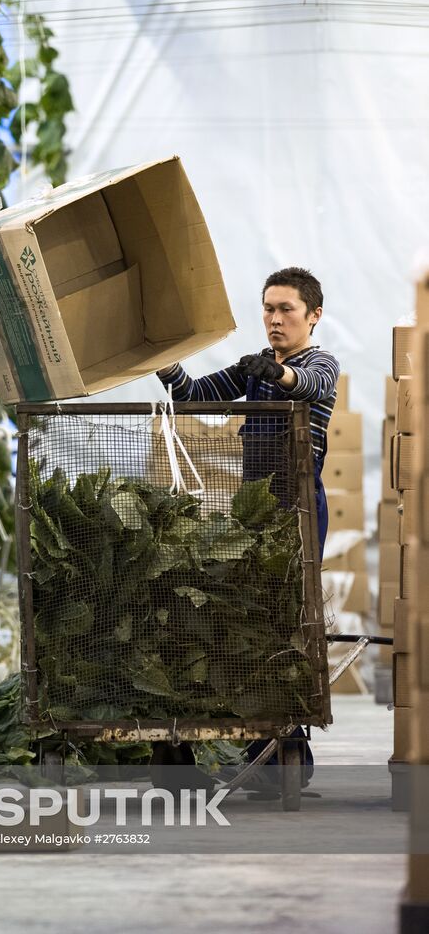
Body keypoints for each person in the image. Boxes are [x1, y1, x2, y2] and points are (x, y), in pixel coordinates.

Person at [156, 266, 340, 785]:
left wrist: (275, 372)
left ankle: (290, 761)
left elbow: (306, 384)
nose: (274, 319)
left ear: (313, 316)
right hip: (254, 510)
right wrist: (163, 363)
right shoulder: (252, 368)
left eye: (286, 310)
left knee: (287, 625)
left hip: (299, 509)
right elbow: (193, 397)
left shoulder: (320, 362)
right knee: (252, 625)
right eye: (268, 308)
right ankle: (262, 753)